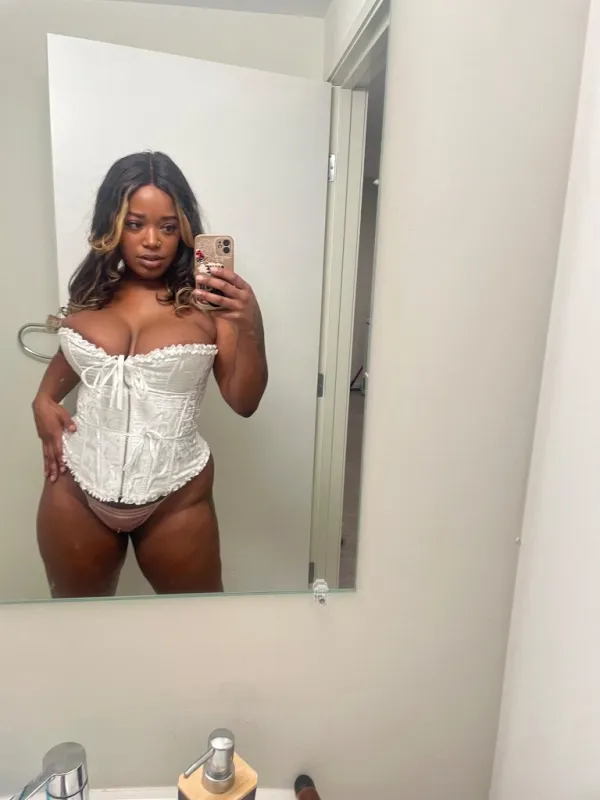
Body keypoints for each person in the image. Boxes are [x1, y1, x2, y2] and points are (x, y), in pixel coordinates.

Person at [32, 152, 268, 598]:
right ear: (113, 225)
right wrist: (43, 400)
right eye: (136, 224)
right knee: (77, 625)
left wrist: (250, 324)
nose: (152, 241)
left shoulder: (210, 306)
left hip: (176, 496)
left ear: (185, 230)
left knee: (197, 627)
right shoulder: (93, 292)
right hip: (75, 488)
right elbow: (80, 358)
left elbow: (244, 402)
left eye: (168, 227)